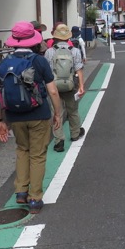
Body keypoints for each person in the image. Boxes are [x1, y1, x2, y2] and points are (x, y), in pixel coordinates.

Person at [0, 21, 63, 214]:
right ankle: (35, 198)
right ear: (33, 40)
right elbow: (53, 91)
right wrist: (58, 113)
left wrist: (0, 121)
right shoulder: (39, 61)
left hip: (15, 116)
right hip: (39, 115)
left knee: (22, 149)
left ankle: (21, 192)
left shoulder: (4, 63)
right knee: (37, 155)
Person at [45, 23, 86, 152]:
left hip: (54, 87)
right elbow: (79, 69)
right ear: (68, 37)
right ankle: (75, 134)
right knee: (72, 111)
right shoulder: (74, 50)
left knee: (57, 113)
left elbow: (46, 71)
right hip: (70, 86)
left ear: (55, 37)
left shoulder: (49, 52)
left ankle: (59, 142)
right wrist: (81, 86)